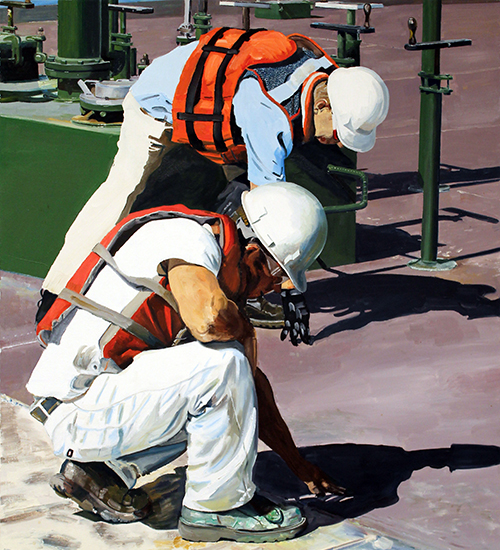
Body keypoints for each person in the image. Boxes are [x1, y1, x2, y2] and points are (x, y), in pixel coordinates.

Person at [27, 182, 346, 543]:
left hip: (86, 402)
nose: (267, 292)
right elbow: (209, 321)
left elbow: (247, 393)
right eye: (274, 279)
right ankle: (218, 507)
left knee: (221, 398)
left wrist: (299, 465)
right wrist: (246, 334)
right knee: (223, 365)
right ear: (255, 254)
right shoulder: (189, 240)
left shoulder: (207, 252)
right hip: (82, 404)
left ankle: (98, 472)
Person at [38, 27, 389, 343]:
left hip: (215, 115)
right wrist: (290, 288)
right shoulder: (271, 114)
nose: (339, 143)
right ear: (324, 104)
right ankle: (55, 291)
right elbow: (272, 211)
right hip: (155, 106)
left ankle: (238, 291)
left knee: (233, 195)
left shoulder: (322, 72)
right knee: (120, 192)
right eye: (340, 133)